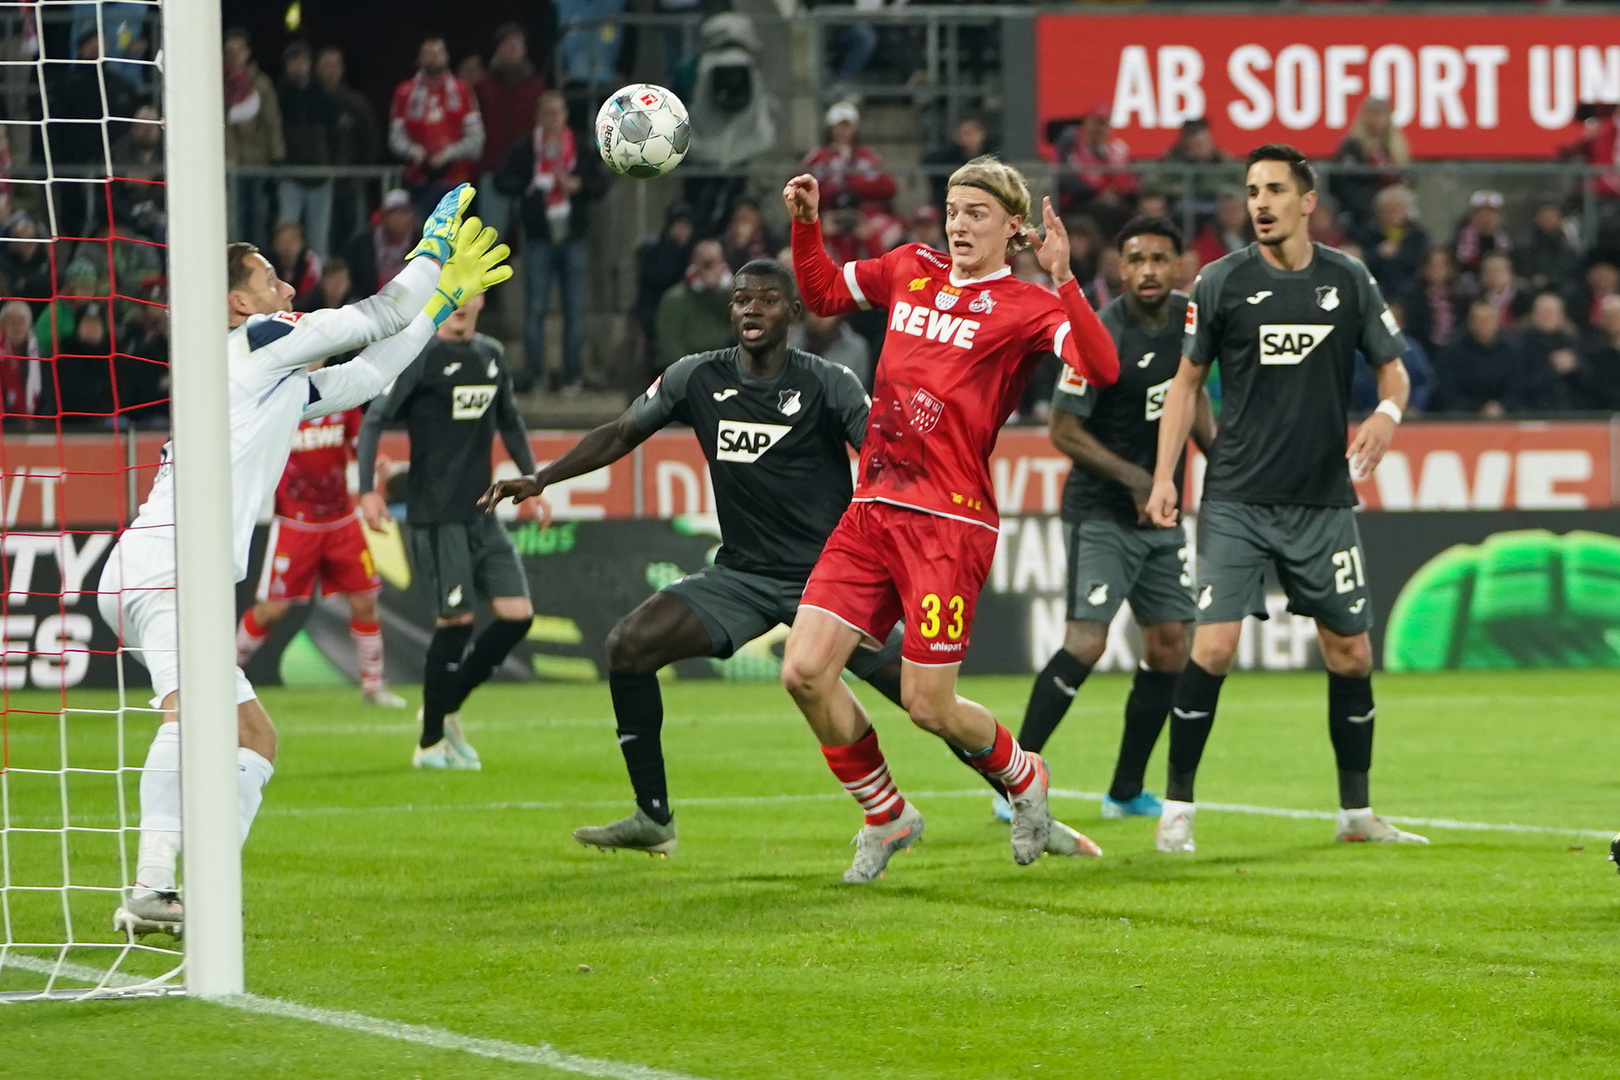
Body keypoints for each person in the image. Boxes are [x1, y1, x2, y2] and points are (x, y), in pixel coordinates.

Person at [99, 184, 506, 934]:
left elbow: (371, 373)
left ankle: (202, 889)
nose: (287, 287)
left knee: (255, 736)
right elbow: (379, 312)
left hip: (166, 564)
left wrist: (438, 307)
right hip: (166, 561)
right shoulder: (252, 345)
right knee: (193, 720)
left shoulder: (268, 375)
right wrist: (431, 252)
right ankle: (153, 886)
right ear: (234, 304)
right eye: (268, 279)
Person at [778, 156, 1121, 882]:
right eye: (953, 209)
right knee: (804, 671)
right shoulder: (911, 267)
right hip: (870, 509)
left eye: (976, 214)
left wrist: (1063, 277)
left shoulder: (1028, 305)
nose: (959, 224)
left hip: (948, 522)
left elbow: (1103, 367)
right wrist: (806, 226)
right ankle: (886, 814)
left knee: (927, 706)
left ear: (1012, 228)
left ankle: (1026, 775)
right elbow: (821, 293)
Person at [1144, 144, 1425, 853]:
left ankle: (1356, 815)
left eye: (1274, 189)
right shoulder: (1219, 282)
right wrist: (1163, 478)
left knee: (1352, 654)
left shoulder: (1348, 279)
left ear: (1307, 201)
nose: (1259, 202)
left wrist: (1387, 417)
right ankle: (1177, 809)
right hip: (1238, 495)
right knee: (1213, 647)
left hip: (1322, 501)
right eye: (1251, 190)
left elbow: (1393, 371)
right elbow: (1184, 385)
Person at [1006, 216, 1214, 827]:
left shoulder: (1190, 322)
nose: (1148, 270)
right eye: (1136, 259)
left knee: (1172, 645)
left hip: (1161, 512)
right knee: (1088, 641)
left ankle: (1125, 790)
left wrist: (1222, 464)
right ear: (1120, 268)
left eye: (1159, 258)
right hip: (1100, 509)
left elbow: (1193, 394)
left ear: (1179, 264)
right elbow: (1063, 429)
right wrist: (1141, 480)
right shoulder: (1097, 330)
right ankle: (1013, 780)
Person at [356, 291, 535, 770]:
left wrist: (533, 481)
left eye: (469, 288)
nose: (461, 299)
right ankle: (430, 742)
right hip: (436, 514)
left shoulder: (491, 355)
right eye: (452, 286)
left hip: (483, 510)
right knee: (455, 623)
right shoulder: (421, 354)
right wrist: (367, 490)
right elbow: (374, 420)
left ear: (481, 297)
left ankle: (445, 704)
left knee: (518, 615)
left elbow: (511, 422)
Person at [235, 399, 407, 709]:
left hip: (341, 521)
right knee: (272, 610)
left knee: (365, 602)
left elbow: (359, 443)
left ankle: (374, 687)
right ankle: (224, 678)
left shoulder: (342, 399)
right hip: (295, 523)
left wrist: (377, 459)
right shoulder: (280, 401)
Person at [494, 90, 606, 393]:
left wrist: (579, 185)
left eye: (558, 113)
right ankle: (533, 375)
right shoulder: (526, 148)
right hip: (539, 239)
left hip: (573, 238)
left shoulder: (580, 146)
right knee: (535, 310)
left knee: (574, 311)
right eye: (547, 113)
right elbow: (501, 181)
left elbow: (600, 184)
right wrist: (530, 185)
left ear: (565, 116)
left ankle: (572, 376)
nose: (553, 119)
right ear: (539, 117)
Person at [390, 35, 485, 221]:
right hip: (418, 179)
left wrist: (449, 154)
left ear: (447, 57)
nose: (433, 58)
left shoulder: (462, 90)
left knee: (452, 241)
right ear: (419, 58)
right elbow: (395, 137)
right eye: (428, 54)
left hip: (455, 181)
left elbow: (476, 137)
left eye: (438, 53)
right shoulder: (404, 92)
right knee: (421, 240)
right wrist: (415, 152)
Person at [472, 23, 547, 242]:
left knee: (531, 239)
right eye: (508, 44)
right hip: (492, 170)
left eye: (518, 44)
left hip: (529, 174)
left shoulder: (537, 87)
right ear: (498, 48)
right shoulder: (481, 86)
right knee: (489, 240)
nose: (513, 49)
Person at [223, 27, 284, 251]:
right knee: (233, 220)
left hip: (258, 163)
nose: (235, 56)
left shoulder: (260, 84)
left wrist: (277, 157)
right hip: (230, 165)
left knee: (258, 220)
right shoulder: (216, 83)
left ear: (248, 52)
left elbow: (272, 121)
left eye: (239, 50)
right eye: (230, 51)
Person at [276, 41, 336, 258]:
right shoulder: (280, 95)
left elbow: (333, 135)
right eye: (294, 62)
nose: (299, 66)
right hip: (290, 177)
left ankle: (316, 287)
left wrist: (332, 167)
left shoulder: (322, 95)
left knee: (318, 242)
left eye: (303, 61)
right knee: (286, 236)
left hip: (320, 178)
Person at [1431, 299, 1530, 417]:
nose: (1483, 324)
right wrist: (1477, 409)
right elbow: (1448, 390)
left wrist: (1501, 405)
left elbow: (1517, 387)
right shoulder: (1452, 352)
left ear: (1497, 322)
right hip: (1463, 416)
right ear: (1470, 322)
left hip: (1504, 414)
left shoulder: (1511, 352)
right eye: (1478, 320)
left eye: (1488, 319)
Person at [1330, 97, 1408, 231]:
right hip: (1363, 211)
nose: (1377, 122)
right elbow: (1345, 182)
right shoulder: (1353, 146)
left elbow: (1404, 175)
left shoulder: (1393, 148)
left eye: (1381, 116)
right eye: (1373, 116)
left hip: (1394, 205)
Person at [1055, 107, 1138, 233]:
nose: (1099, 130)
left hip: (1113, 201)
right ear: (1086, 125)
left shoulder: (1117, 149)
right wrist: (1097, 192)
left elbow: (1128, 181)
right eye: (1095, 123)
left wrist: (1116, 191)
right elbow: (1066, 180)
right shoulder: (1071, 146)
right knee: (1104, 211)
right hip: (1079, 202)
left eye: (1103, 125)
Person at [655, 239, 734, 370]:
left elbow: (737, 332)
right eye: (706, 264)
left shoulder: (727, 297)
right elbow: (669, 346)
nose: (710, 270)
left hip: (724, 366)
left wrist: (728, 291)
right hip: (688, 369)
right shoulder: (675, 299)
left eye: (715, 263)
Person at [634, 201, 696, 365]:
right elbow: (654, 283)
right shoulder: (654, 251)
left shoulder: (696, 251)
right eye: (678, 225)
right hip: (657, 309)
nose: (682, 230)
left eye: (686, 225)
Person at [340, 189, 418, 298]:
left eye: (404, 213)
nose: (399, 219)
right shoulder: (362, 245)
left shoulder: (421, 243)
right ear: (384, 217)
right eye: (394, 214)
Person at [1358, 185, 1427, 300]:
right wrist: (1378, 254)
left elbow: (1421, 263)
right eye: (1387, 210)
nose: (1392, 214)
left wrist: (1399, 254)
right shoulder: (1368, 234)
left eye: (1397, 209)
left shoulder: (1418, 235)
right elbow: (1362, 260)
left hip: (1410, 289)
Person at [1401, 246, 1463, 357]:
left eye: (1442, 265)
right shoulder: (1411, 298)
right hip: (1424, 352)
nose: (1436, 270)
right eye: (1432, 265)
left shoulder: (1461, 298)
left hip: (1455, 354)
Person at [921, 114, 990, 208]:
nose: (966, 139)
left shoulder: (992, 158)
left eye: (970, 133)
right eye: (963, 134)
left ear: (981, 134)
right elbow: (927, 161)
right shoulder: (947, 157)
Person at [1567, 294, 1620, 410]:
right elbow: (1589, 380)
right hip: (1600, 408)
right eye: (1608, 316)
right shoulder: (1590, 345)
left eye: (1616, 316)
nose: (1613, 321)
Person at [1518, 201, 1580, 296]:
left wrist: (1550, 280)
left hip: (1560, 288)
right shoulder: (1525, 245)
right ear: (1537, 219)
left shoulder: (1568, 246)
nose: (1549, 221)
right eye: (1545, 217)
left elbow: (1569, 269)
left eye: (1552, 217)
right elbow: (1523, 268)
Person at [1453, 190, 1511, 280]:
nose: (1487, 217)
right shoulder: (1458, 242)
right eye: (1481, 213)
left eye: (1492, 213)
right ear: (1473, 216)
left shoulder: (1508, 242)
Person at [269, 221, 322, 309]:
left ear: (302, 243)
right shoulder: (265, 265)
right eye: (282, 240)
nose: (287, 245)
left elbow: (310, 295)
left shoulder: (312, 263)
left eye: (292, 239)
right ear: (274, 244)